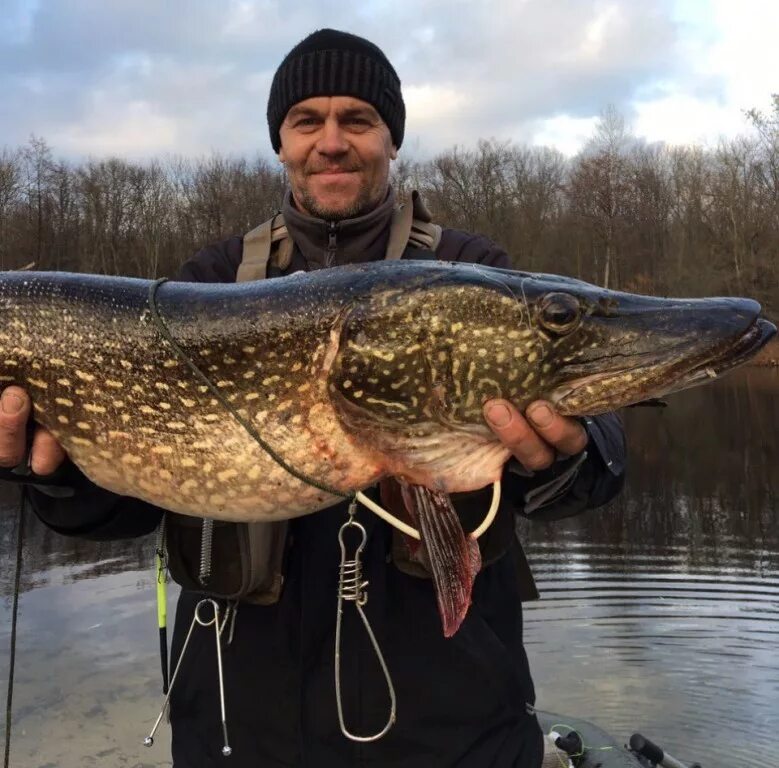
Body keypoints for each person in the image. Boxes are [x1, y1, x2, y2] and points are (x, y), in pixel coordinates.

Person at [0, 29, 625, 768]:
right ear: (281, 144)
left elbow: (587, 465)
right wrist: (55, 473)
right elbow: (128, 505)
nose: (331, 141)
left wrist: (566, 459)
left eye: (357, 119)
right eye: (307, 121)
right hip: (239, 719)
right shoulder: (210, 278)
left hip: (448, 723)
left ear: (391, 139)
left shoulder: (467, 270)